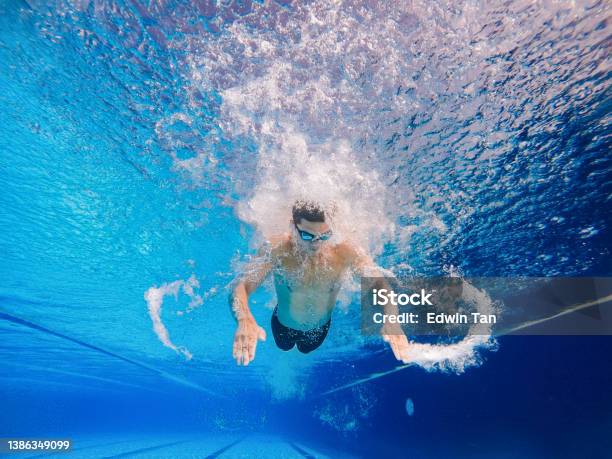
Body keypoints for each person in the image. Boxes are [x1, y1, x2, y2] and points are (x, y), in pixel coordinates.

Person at [229, 200, 411, 366]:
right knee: (283, 346)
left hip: (318, 330)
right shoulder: (278, 249)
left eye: (324, 236)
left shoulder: (346, 251)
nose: (316, 244)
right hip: (282, 324)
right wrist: (244, 319)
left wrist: (391, 318)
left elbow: (379, 284)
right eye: (308, 236)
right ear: (293, 227)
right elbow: (241, 286)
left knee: (305, 349)